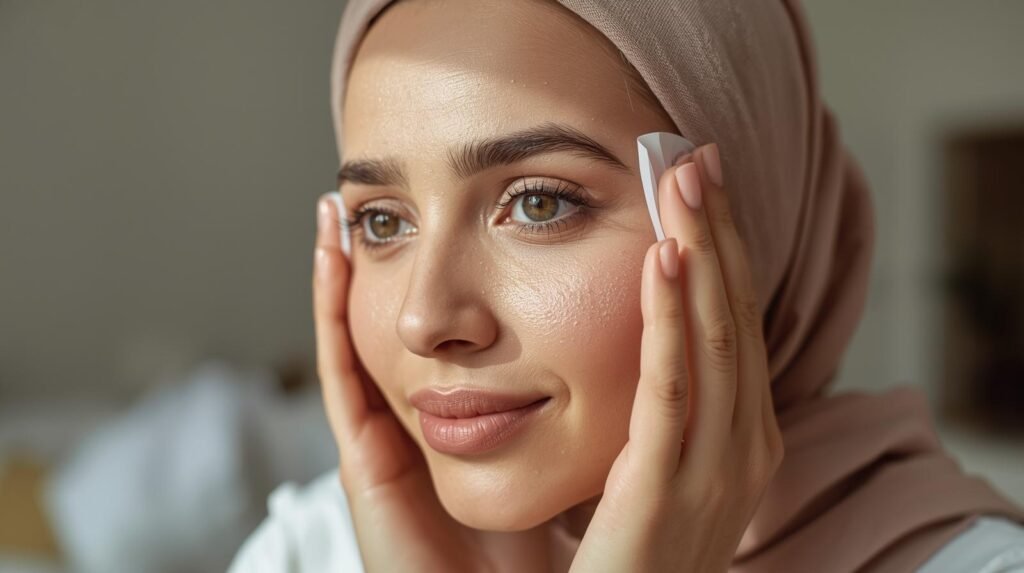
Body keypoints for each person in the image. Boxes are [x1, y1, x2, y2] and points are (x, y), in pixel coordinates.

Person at [230, 0, 1024, 571]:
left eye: (539, 203)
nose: (424, 317)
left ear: (741, 219)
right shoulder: (314, 550)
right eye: (380, 222)